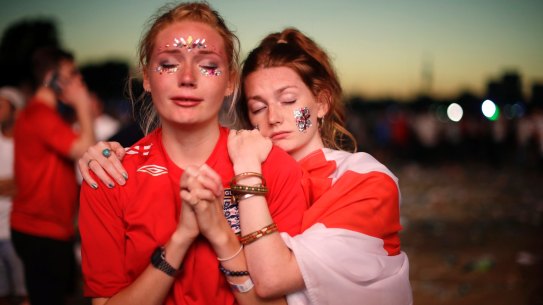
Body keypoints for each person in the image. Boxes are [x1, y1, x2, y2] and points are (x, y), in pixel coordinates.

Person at [80, 27, 413, 305]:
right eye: (258, 106)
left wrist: (248, 169)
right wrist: (104, 153)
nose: (274, 117)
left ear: (321, 102)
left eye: (289, 100)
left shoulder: (365, 179)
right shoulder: (244, 170)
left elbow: (271, 280)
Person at [77, 2, 306, 305]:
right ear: (146, 77)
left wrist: (220, 232)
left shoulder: (274, 168)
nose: (187, 77)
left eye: (208, 66)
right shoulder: (109, 175)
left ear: (230, 81)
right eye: (169, 63)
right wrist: (180, 239)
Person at [11, 46, 96, 305]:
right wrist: (83, 104)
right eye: (71, 73)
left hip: (46, 228)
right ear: (51, 78)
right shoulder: (40, 115)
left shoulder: (40, 115)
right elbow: (87, 152)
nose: (78, 80)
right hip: (41, 230)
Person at [0, 87, 29, 305]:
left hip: (17, 228)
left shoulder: (26, 142)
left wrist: (15, 184)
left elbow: (27, 185)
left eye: (2, 105)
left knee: (23, 291)